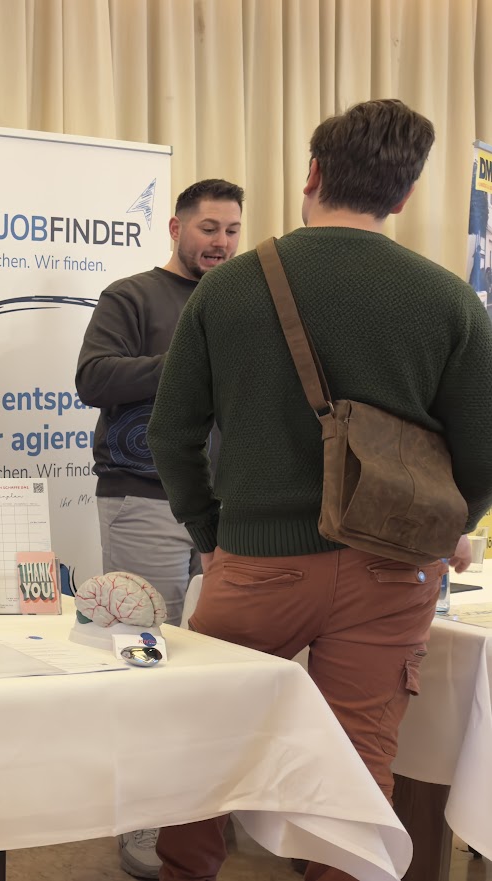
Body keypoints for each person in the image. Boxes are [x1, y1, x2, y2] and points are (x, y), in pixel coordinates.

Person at [148, 98, 492, 881]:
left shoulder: (228, 289)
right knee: (358, 764)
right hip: (392, 570)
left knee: (208, 738)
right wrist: (445, 527)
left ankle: (186, 872)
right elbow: (483, 451)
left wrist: (211, 532)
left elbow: (170, 433)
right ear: (405, 193)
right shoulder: (447, 300)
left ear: (311, 173)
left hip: (255, 560)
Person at [76, 178, 244, 879]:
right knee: (147, 659)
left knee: (219, 663)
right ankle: (143, 815)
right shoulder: (132, 296)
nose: (221, 242)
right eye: (208, 228)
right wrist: (189, 364)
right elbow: (93, 378)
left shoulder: (241, 302)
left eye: (232, 230)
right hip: (144, 498)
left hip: (229, 508)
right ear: (176, 227)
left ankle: (201, 807)